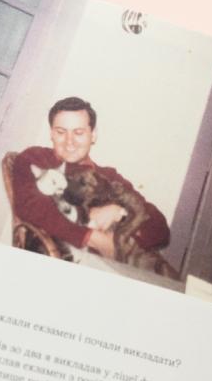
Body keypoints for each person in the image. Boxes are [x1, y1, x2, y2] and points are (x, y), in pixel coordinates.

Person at [11, 97, 170, 260]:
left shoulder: (109, 176)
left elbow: (160, 230)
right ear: (51, 133)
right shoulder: (36, 159)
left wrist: (119, 212)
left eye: (78, 133)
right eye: (61, 132)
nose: (69, 142)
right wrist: (91, 238)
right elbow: (30, 205)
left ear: (93, 135)